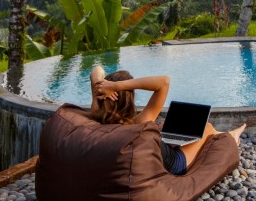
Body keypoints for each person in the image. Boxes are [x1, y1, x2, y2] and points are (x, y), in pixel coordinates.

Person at [87, 66, 245, 176]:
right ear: (130, 99)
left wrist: (99, 87)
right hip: (175, 164)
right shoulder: (139, 124)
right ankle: (231, 137)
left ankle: (224, 135)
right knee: (207, 128)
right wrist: (117, 86)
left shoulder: (96, 113)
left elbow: (96, 70)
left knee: (179, 134)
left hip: (162, 149)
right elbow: (164, 82)